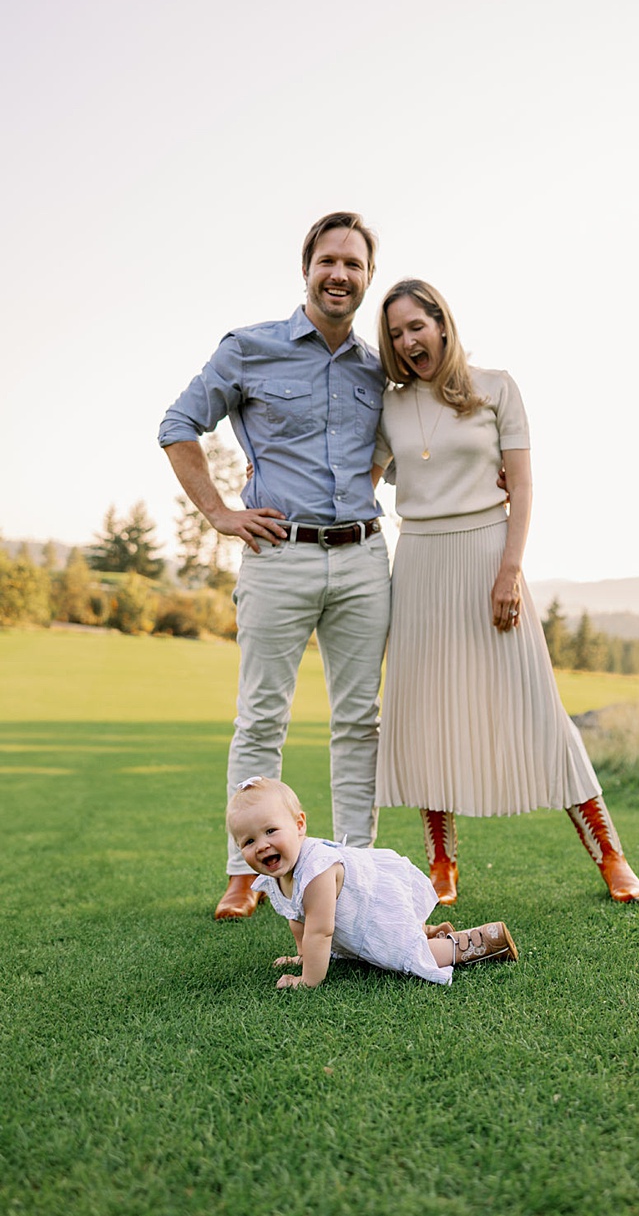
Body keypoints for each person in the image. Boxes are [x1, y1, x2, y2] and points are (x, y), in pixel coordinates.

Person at [371, 279, 639, 906]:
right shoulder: (389, 405)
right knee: (428, 713)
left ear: (442, 324)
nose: (408, 341)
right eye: (395, 333)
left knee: (539, 708)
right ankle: (441, 864)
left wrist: (508, 571)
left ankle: (611, 855)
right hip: (417, 565)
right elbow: (359, 480)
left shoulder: (497, 387)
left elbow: (522, 487)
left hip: (488, 555)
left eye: (416, 326)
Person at [160, 212, 391, 921]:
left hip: (363, 558)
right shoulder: (249, 348)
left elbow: (408, 445)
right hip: (277, 555)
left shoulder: (378, 368)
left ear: (368, 278)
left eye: (353, 264)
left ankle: (354, 867)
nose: (340, 274)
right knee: (261, 717)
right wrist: (220, 513)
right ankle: (246, 874)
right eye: (329, 261)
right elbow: (177, 426)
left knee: (359, 721)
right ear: (307, 269)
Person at [228, 777, 517, 988]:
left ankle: (479, 941)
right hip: (365, 909)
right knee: (399, 934)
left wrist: (308, 979)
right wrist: (304, 956)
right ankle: (427, 931)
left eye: (271, 831)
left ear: (299, 825)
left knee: (403, 954)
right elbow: (298, 919)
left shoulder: (316, 870)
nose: (262, 845)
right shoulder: (278, 874)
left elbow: (320, 931)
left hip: (373, 913)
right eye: (249, 841)